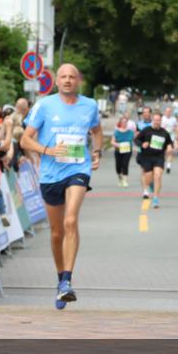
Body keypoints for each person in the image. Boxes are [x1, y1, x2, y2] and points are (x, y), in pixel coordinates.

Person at [19, 63, 103, 309]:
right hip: (50, 174)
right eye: (63, 77)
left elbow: (97, 132)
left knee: (70, 221)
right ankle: (60, 281)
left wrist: (97, 152)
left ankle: (68, 279)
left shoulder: (89, 106)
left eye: (72, 77)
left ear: (79, 81)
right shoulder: (44, 105)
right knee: (56, 233)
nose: (68, 80)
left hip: (78, 169)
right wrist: (48, 150)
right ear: (57, 81)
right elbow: (25, 139)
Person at [135, 113, 172, 209]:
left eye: (158, 120)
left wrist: (169, 147)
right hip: (146, 157)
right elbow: (136, 140)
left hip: (159, 157)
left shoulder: (164, 132)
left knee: (158, 176)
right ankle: (148, 187)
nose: (156, 122)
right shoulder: (146, 130)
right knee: (148, 177)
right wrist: (142, 144)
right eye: (155, 120)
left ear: (161, 121)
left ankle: (155, 199)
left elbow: (169, 142)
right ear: (152, 120)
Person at [111, 115, 134, 188]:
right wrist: (117, 144)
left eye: (125, 122)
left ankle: (125, 181)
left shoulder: (130, 132)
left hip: (127, 150)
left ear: (127, 123)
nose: (124, 123)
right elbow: (112, 142)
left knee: (125, 164)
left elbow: (133, 141)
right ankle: (120, 178)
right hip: (118, 150)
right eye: (122, 122)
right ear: (120, 123)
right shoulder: (117, 132)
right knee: (118, 166)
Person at [161, 105, 177, 173]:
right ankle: (162, 163)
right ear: (165, 112)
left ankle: (168, 166)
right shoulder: (162, 118)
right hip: (163, 138)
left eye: (169, 111)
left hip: (171, 138)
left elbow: (176, 127)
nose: (168, 113)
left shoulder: (174, 119)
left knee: (170, 152)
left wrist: (174, 129)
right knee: (163, 152)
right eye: (167, 111)